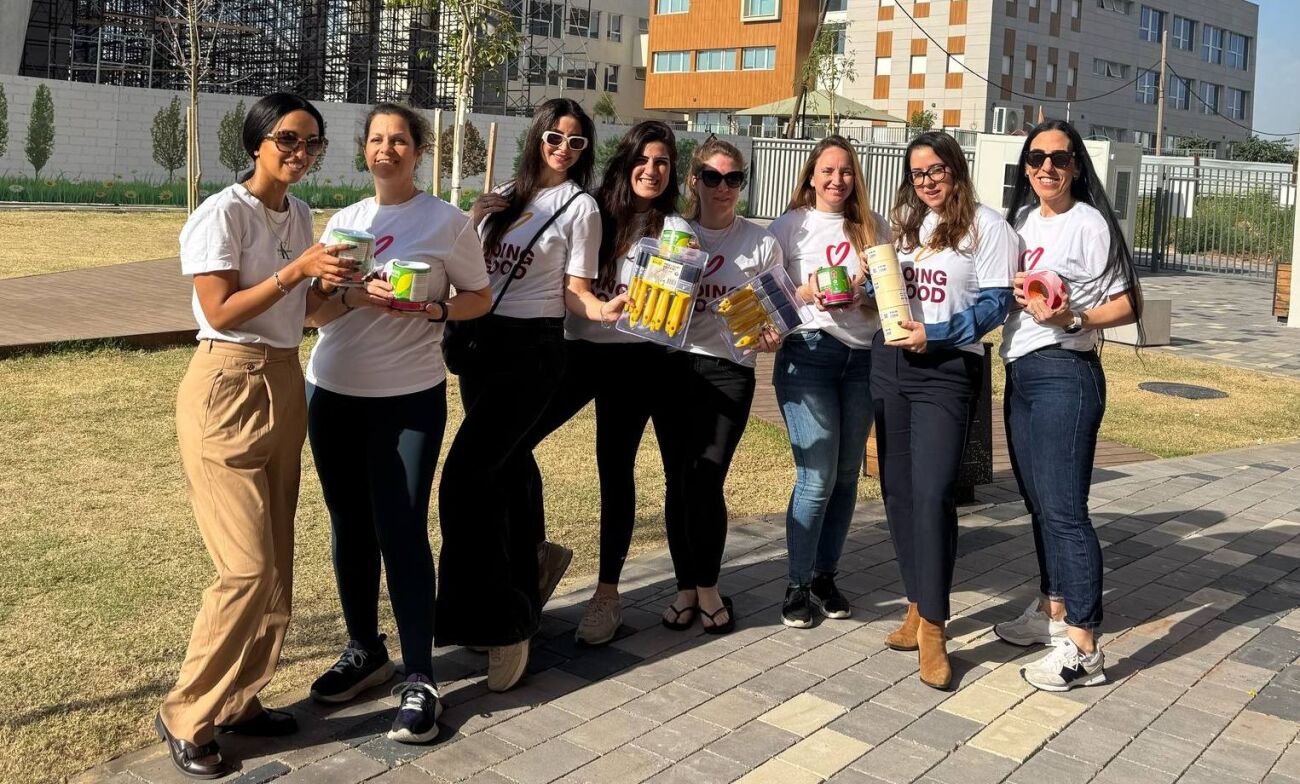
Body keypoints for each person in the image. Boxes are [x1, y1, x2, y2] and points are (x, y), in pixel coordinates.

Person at [159, 92, 354, 779]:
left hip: (282, 378)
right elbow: (220, 309)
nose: (300, 152)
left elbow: (305, 313)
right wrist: (295, 270)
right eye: (287, 140)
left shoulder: (298, 214)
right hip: (227, 384)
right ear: (257, 144)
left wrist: (344, 288)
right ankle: (186, 713)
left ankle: (240, 699)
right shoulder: (222, 213)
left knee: (276, 563)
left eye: (311, 142)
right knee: (244, 567)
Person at [302, 103, 492, 742]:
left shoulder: (447, 222)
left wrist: (435, 310)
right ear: (365, 150)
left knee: (403, 529)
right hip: (332, 390)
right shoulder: (345, 222)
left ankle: (420, 677)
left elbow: (479, 298)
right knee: (348, 524)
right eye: (377, 140)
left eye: (400, 140)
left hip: (408, 396)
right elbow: (316, 316)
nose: (387, 149)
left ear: (419, 151)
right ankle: (365, 651)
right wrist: (351, 295)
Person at [435, 98, 607, 692]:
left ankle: (504, 623)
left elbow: (575, 290)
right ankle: (531, 567)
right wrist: (472, 217)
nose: (563, 149)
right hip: (480, 344)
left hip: (532, 350)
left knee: (466, 479)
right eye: (554, 137)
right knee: (505, 470)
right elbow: (471, 268)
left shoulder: (581, 208)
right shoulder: (504, 195)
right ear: (537, 137)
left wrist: (603, 310)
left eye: (576, 142)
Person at [512, 121, 690, 645]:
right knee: (513, 444)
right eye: (644, 159)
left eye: (663, 162)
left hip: (636, 359)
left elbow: (677, 303)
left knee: (615, 471)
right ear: (625, 161)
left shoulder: (674, 228)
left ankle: (607, 595)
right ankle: (537, 556)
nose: (652, 170)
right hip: (578, 350)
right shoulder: (590, 210)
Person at [993, 119, 1142, 691]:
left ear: (1076, 165)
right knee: (1038, 504)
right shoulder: (1021, 221)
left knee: (1065, 511)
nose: (1046, 168)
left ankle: (1083, 647)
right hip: (1021, 370)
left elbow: (1128, 303)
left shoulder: (1090, 223)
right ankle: (1052, 610)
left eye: (1059, 158)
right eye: (1036, 158)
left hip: (1065, 373)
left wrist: (1073, 318)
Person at [875, 131, 1018, 690]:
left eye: (936, 170)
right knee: (898, 492)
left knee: (934, 494)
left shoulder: (988, 226)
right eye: (917, 174)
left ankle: (934, 626)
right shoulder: (906, 225)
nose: (927, 181)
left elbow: (995, 305)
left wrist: (933, 335)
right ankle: (915, 604)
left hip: (946, 367)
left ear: (956, 168)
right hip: (890, 362)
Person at [657, 137, 783, 636]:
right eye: (712, 176)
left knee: (706, 479)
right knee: (676, 480)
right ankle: (685, 586)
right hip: (673, 367)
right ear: (694, 181)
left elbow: (775, 312)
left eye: (733, 178)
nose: (723, 187)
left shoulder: (760, 243)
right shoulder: (674, 231)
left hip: (730, 371)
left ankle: (708, 587)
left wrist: (772, 334)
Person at [768, 136, 888, 629]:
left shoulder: (873, 226)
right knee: (815, 478)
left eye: (846, 171)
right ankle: (796, 585)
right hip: (809, 355)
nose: (838, 180)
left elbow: (889, 297)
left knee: (844, 477)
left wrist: (864, 297)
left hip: (861, 359)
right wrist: (807, 290)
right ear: (811, 176)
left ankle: (824, 577)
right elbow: (769, 297)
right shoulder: (788, 225)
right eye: (828, 171)